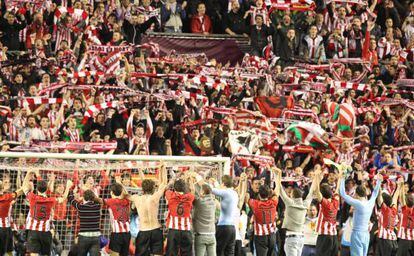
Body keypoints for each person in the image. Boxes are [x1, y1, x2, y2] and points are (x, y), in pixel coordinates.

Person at [24, 170, 72, 256]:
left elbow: (24, 187)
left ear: (37, 188)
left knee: (33, 254)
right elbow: (63, 198)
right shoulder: (50, 200)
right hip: (45, 231)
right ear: (47, 189)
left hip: (34, 231)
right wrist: (68, 187)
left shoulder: (32, 197)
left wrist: (28, 173)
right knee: (46, 253)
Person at [277, 167, 319, 256]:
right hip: (301, 239)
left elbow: (280, 190)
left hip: (291, 239)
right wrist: (315, 178)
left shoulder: (289, 203)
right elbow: (311, 192)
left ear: (292, 195)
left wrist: (277, 175)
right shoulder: (305, 204)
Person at [339, 171, 383, 256]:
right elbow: (375, 193)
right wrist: (379, 182)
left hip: (357, 234)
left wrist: (342, 178)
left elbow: (343, 194)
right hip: (366, 234)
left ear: (357, 194)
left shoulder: (358, 204)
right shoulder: (370, 202)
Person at [130, 164, 168, 256]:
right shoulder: (155, 197)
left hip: (143, 232)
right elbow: (164, 183)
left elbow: (124, 194)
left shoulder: (136, 198)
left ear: (142, 189)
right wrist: (163, 167)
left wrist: (139, 170)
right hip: (156, 231)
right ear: (153, 188)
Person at [248, 167, 280, 256]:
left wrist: (244, 182)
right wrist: (279, 176)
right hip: (272, 236)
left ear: (259, 194)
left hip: (260, 237)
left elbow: (245, 197)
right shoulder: (273, 202)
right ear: (269, 193)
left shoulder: (255, 204)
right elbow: (277, 191)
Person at [313, 166, 341, 256]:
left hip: (324, 235)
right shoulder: (335, 201)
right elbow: (337, 189)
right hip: (333, 236)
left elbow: (317, 191)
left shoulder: (325, 203)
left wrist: (316, 178)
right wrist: (339, 178)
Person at [165, 177, 195, 255]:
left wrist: (171, 181)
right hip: (186, 231)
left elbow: (166, 188)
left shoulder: (170, 195)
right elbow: (193, 190)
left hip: (173, 230)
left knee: (171, 253)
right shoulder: (190, 197)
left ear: (174, 188)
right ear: (184, 188)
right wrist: (190, 180)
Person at [68, 189, 103, 256]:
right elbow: (100, 200)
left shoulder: (80, 207)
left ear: (83, 197)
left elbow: (71, 199)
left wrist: (71, 190)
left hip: (83, 236)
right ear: (93, 197)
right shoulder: (98, 206)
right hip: (96, 236)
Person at [212, 174, 239, 256]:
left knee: (218, 251)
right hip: (232, 228)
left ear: (223, 183)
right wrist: (216, 183)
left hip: (223, 227)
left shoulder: (226, 193)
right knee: (230, 252)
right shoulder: (234, 193)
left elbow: (211, 190)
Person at [104, 182, 131, 256]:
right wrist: (120, 184)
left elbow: (99, 201)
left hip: (117, 234)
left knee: (114, 254)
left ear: (111, 192)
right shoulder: (127, 200)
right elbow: (126, 193)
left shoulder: (110, 201)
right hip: (127, 233)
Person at [0, 180, 24, 256]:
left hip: (6, 228)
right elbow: (21, 190)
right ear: (2, 189)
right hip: (4, 229)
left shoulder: (7, 198)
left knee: (9, 250)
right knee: (8, 250)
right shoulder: (7, 198)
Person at [193, 182, 217, 256]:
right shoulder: (213, 203)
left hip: (201, 235)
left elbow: (193, 194)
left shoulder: (199, 202)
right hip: (212, 235)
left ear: (202, 192)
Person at [397, 177, 414, 256]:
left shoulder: (405, 210)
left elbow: (401, 198)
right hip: (412, 239)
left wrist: (400, 185)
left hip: (404, 239)